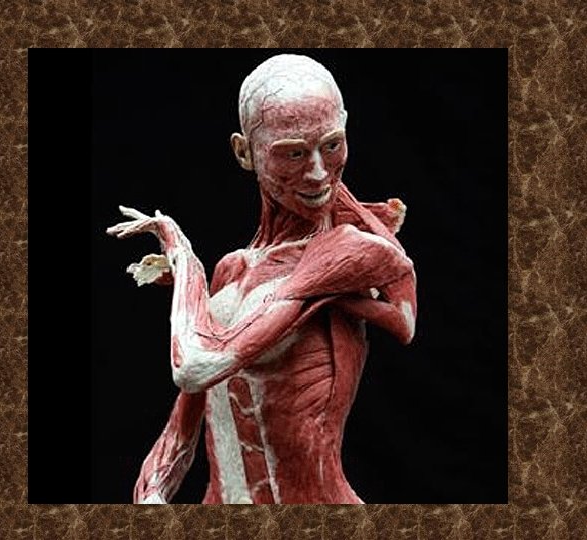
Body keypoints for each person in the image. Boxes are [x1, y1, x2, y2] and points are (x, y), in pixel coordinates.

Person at [107, 54, 417, 504]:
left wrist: (181, 253)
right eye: (293, 152)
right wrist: (152, 492)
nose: (318, 171)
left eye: (332, 145)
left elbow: (194, 365)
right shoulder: (232, 269)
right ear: (244, 152)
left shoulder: (344, 249)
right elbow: (184, 425)